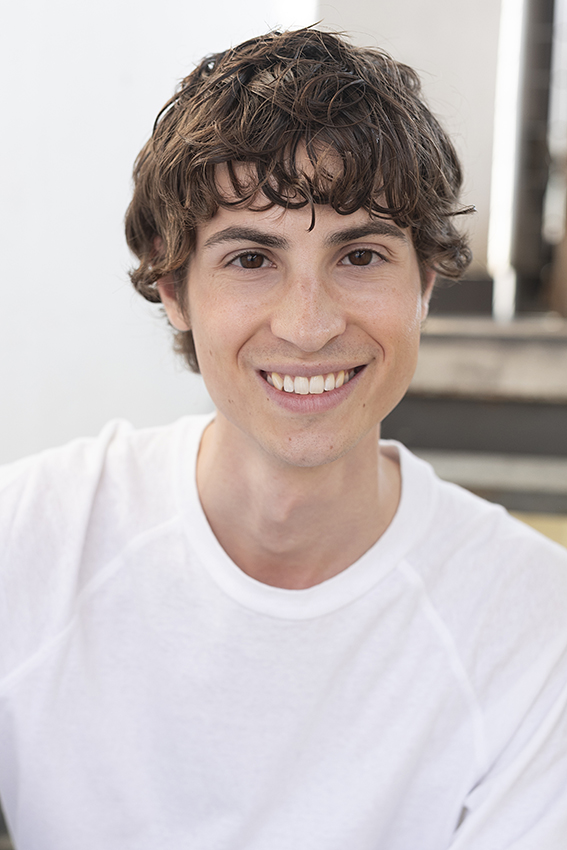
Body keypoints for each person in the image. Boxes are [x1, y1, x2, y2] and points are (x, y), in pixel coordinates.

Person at [1, 27, 566, 850]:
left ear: (425, 283)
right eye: (251, 260)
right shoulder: (29, 541)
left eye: (359, 255)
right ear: (174, 288)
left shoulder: (534, 624)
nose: (308, 326)